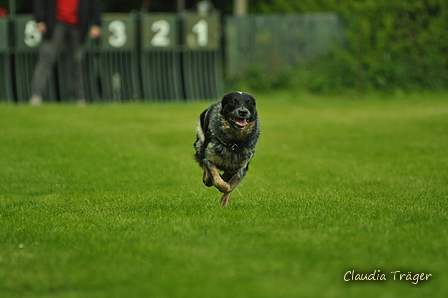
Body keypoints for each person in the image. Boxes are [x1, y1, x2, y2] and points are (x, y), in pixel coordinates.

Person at [29, 0, 101, 106]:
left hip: (77, 24)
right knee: (46, 58)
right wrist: (40, 19)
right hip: (55, 23)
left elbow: (94, 4)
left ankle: (78, 98)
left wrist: (96, 23)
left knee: (76, 62)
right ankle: (36, 95)